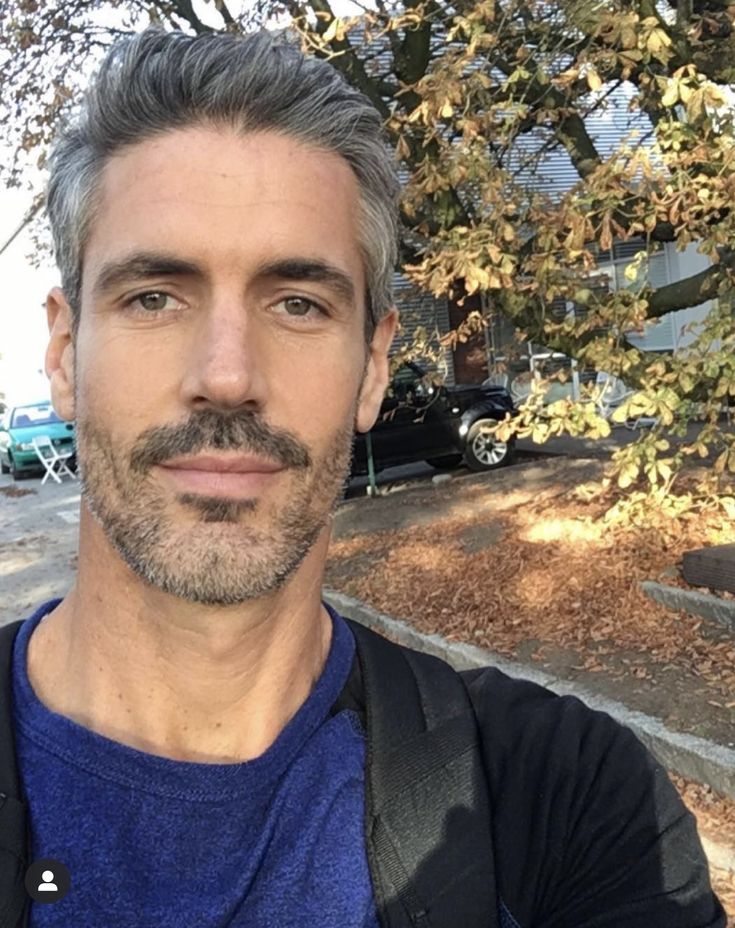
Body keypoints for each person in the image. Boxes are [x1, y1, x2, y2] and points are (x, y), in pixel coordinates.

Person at [0, 27, 725, 928]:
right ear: (65, 353)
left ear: (374, 367)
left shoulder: (569, 797)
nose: (227, 375)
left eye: (298, 303)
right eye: (154, 296)